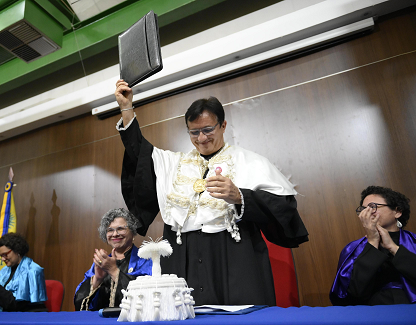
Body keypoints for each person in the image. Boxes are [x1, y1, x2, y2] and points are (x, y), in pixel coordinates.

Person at [114, 80, 308, 306]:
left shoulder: (250, 161)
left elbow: (283, 207)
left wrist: (240, 196)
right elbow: (140, 154)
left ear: (223, 125)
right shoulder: (174, 163)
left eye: (208, 130)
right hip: (182, 255)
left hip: (232, 256)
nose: (201, 138)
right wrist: (126, 109)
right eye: (194, 132)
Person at [330, 186, 416, 305]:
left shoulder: (414, 241)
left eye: (372, 207)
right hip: (373, 310)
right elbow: (355, 292)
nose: (367, 213)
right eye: (363, 209)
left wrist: (393, 247)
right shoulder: (353, 248)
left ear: (397, 212)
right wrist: (372, 242)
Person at [74, 208, 152, 311]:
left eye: (120, 229)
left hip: (131, 323)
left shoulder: (145, 261)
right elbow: (79, 303)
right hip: (101, 322)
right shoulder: (101, 263)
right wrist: (97, 279)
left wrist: (114, 271)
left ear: (132, 232)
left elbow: (148, 297)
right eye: (110, 230)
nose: (115, 234)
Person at [0, 233, 47, 311]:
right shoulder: (4, 271)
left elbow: (17, 305)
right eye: (0, 256)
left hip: (23, 316)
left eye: (5, 254)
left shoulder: (33, 270)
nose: (3, 259)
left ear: (17, 249)